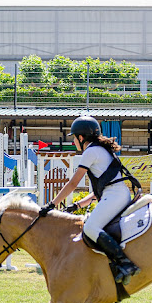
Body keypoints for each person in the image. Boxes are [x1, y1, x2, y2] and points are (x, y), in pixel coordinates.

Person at [39, 116, 141, 285]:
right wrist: (76, 205)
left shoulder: (90, 152)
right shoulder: (99, 149)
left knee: (91, 228)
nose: (73, 142)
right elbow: (97, 192)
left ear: (81, 137)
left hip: (114, 196)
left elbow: (72, 183)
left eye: (74, 138)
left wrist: (51, 205)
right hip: (116, 195)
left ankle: (125, 264)